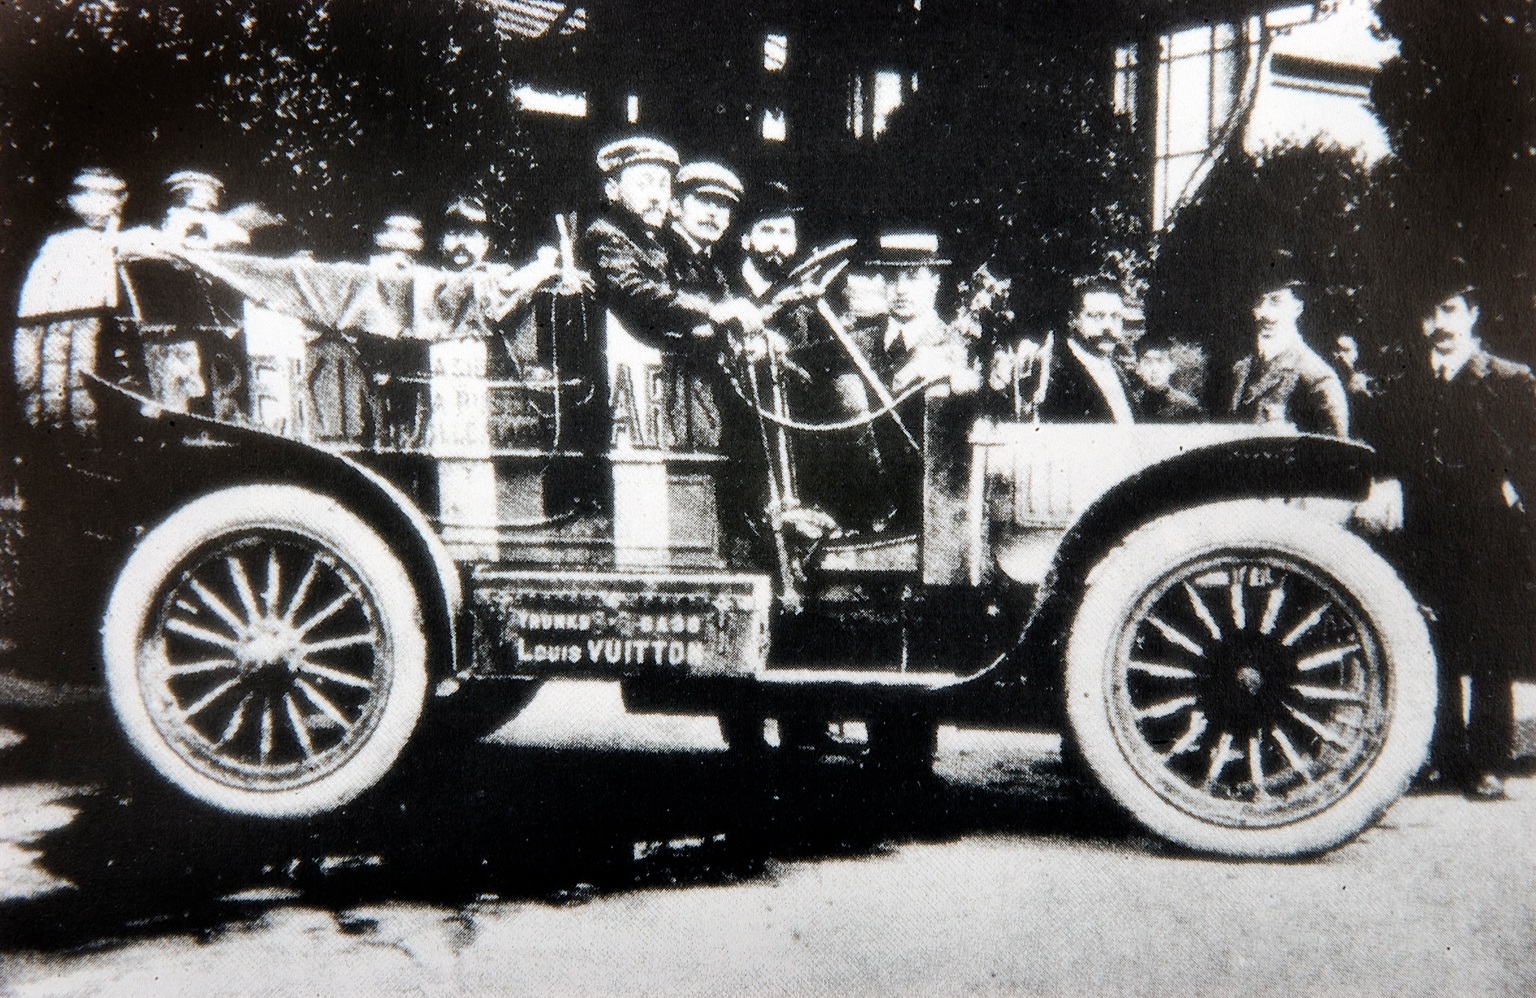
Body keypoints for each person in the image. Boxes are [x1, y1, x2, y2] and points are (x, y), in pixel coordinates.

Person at [1354, 268, 1535, 799]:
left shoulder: (1509, 380)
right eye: (1430, 314)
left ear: (1473, 314)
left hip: (1490, 535)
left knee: (1489, 644)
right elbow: (1385, 457)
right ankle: (1441, 754)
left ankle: (1486, 761)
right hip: (1427, 531)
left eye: (1450, 311)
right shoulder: (1407, 385)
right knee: (1435, 640)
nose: (1439, 325)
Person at [580, 136, 760, 452]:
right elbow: (638, 291)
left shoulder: (652, 243)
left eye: (663, 185)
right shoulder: (606, 234)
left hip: (660, 381)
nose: (656, 196)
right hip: (621, 382)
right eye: (644, 183)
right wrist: (710, 312)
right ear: (613, 190)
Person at [1021, 276, 1199, 423]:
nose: (1107, 326)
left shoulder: (1116, 369)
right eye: (1096, 316)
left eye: (1115, 317)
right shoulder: (1056, 371)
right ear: (1073, 319)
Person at [1228, 263, 1349, 437]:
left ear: (1298, 308)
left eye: (1276, 301)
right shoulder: (1242, 370)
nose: (1264, 313)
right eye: (1258, 302)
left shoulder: (1317, 378)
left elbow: (1336, 457)